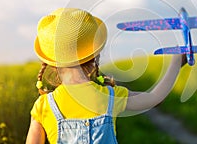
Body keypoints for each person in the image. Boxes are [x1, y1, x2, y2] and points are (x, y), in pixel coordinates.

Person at [26, 8, 187, 144]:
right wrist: (176, 62)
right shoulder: (110, 96)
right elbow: (155, 99)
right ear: (95, 56)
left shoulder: (43, 106)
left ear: (52, 62)